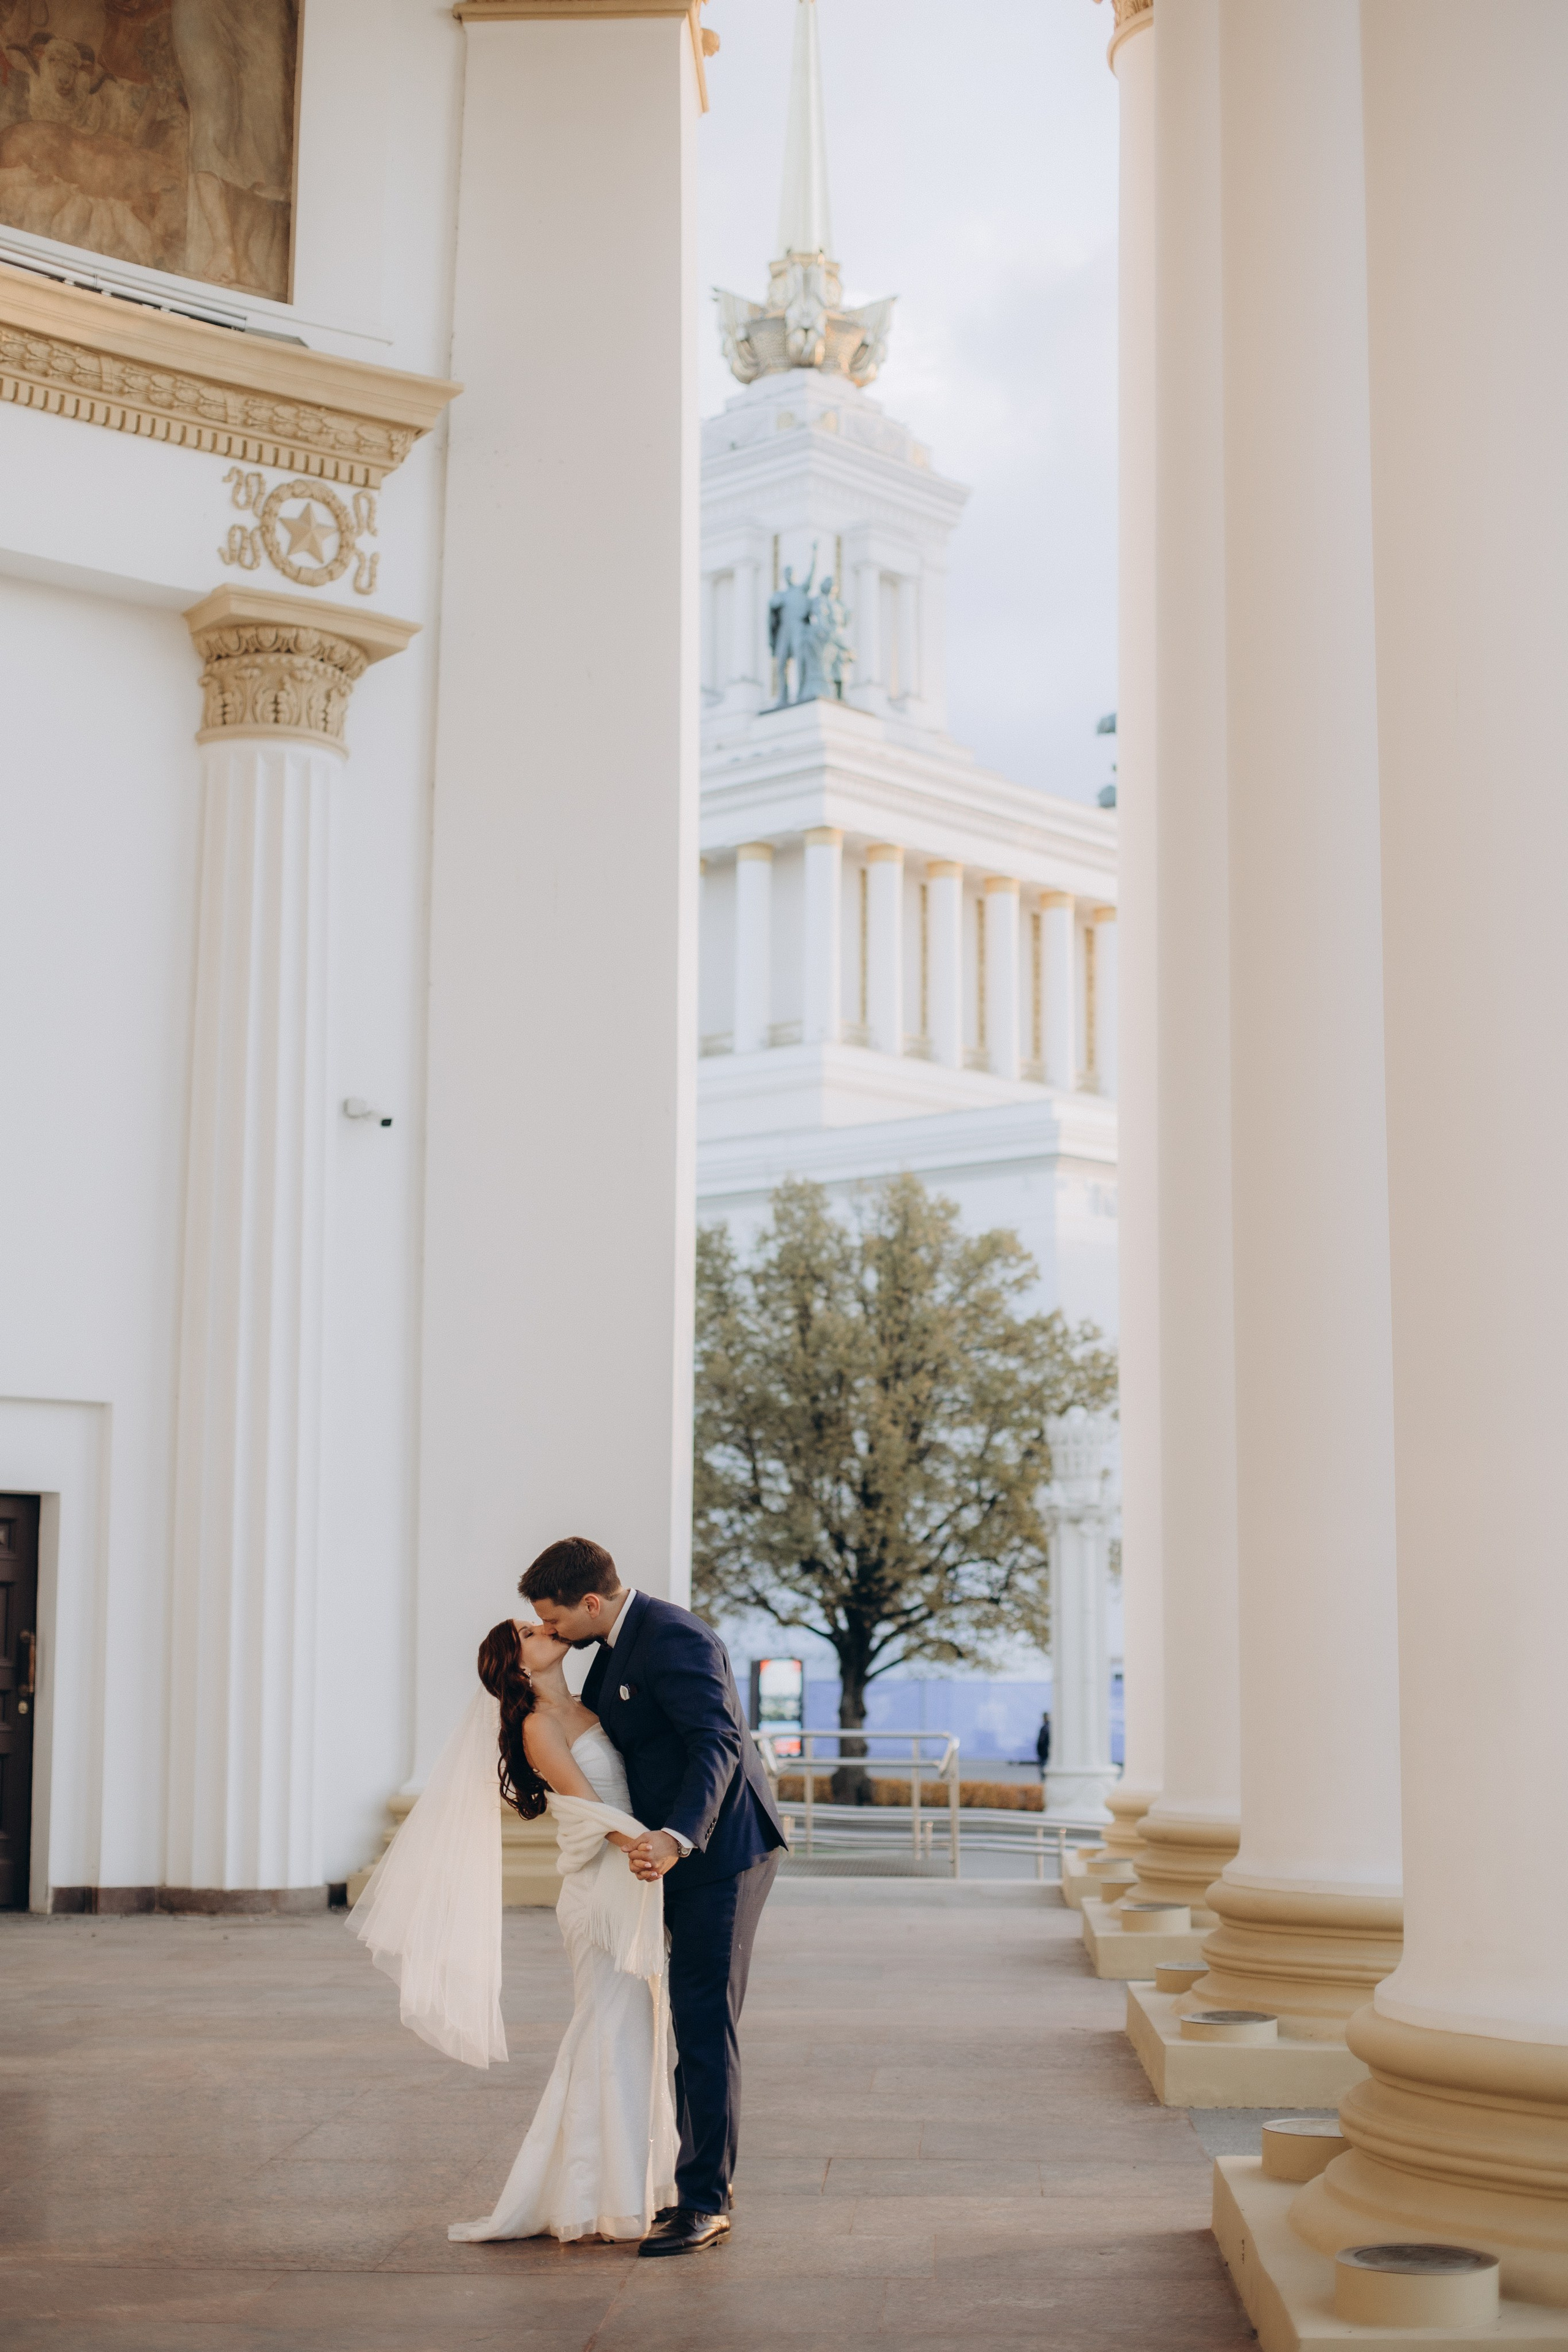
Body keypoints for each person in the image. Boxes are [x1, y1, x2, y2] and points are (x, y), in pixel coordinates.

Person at [350, 1613, 677, 2244]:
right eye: (529, 1631)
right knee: (608, 2031)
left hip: (635, 1880)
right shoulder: (538, 1726)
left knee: (637, 2029)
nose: (543, 1626)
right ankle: (596, 2196)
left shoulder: (589, 1704)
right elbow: (588, 1805)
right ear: (521, 1665)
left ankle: (635, 2185)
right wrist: (653, 1848)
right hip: (604, 1883)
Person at [522, 1536, 786, 2258]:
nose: (552, 1633)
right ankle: (702, 2184)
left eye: (555, 1620)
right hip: (666, 1862)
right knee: (687, 2019)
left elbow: (716, 1742)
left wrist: (676, 1836)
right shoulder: (613, 1644)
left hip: (720, 1856)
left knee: (704, 2023)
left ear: (591, 1601)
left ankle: (704, 2202)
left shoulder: (673, 1637)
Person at [1036, 1708, 1052, 1781]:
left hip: (1044, 1754)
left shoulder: (1045, 1728)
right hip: (1047, 1754)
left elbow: (1041, 1742)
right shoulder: (1051, 1728)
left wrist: (1040, 1752)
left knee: (1044, 1774)